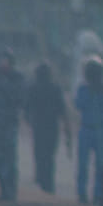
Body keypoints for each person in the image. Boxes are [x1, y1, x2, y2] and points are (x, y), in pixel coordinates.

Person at [72, 57, 103, 205]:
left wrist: (102, 92)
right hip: (86, 128)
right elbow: (78, 104)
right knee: (83, 164)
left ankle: (98, 194)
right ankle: (81, 193)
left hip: (100, 130)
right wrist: (90, 92)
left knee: (101, 165)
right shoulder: (83, 89)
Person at [0, 52, 26, 204]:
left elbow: (19, 98)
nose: (2, 63)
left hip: (9, 125)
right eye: (0, 60)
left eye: (5, 60)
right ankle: (3, 190)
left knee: (9, 160)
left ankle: (11, 192)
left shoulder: (17, 78)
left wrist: (4, 85)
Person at [24, 62, 68, 195]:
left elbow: (26, 109)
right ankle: (47, 183)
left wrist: (28, 121)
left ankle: (42, 179)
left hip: (39, 126)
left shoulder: (33, 88)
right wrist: (66, 126)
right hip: (51, 127)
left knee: (40, 154)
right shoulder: (55, 89)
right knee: (48, 156)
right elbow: (62, 110)